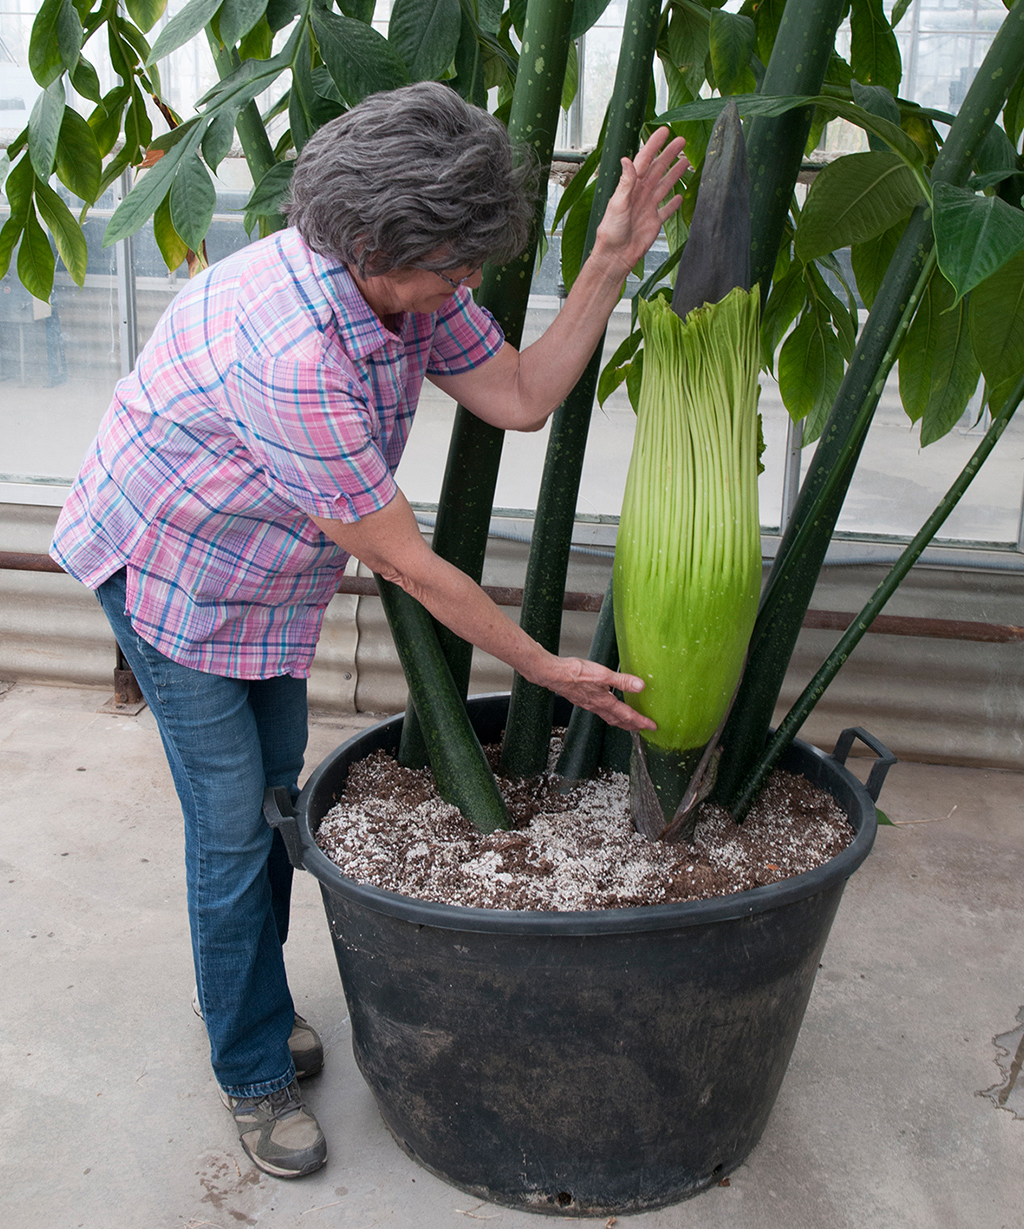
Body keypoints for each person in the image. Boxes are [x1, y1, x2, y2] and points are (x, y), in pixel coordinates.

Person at [50, 82, 687, 1179]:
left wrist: (609, 261)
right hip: (172, 574)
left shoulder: (409, 283)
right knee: (231, 828)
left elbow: (520, 395)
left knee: (272, 793)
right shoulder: (295, 353)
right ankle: (250, 1066)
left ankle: (246, 996)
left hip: (262, 574)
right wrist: (543, 667)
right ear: (368, 244)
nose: (467, 282)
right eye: (452, 264)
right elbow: (405, 562)